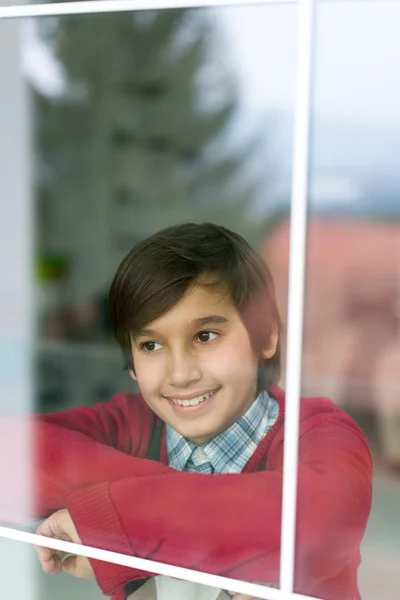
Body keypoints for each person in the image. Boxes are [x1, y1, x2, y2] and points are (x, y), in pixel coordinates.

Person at [0, 223, 372, 600]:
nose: (181, 374)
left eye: (205, 336)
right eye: (151, 346)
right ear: (131, 365)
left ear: (267, 336)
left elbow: (316, 524)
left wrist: (118, 518)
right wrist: (140, 511)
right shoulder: (135, 424)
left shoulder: (322, 434)